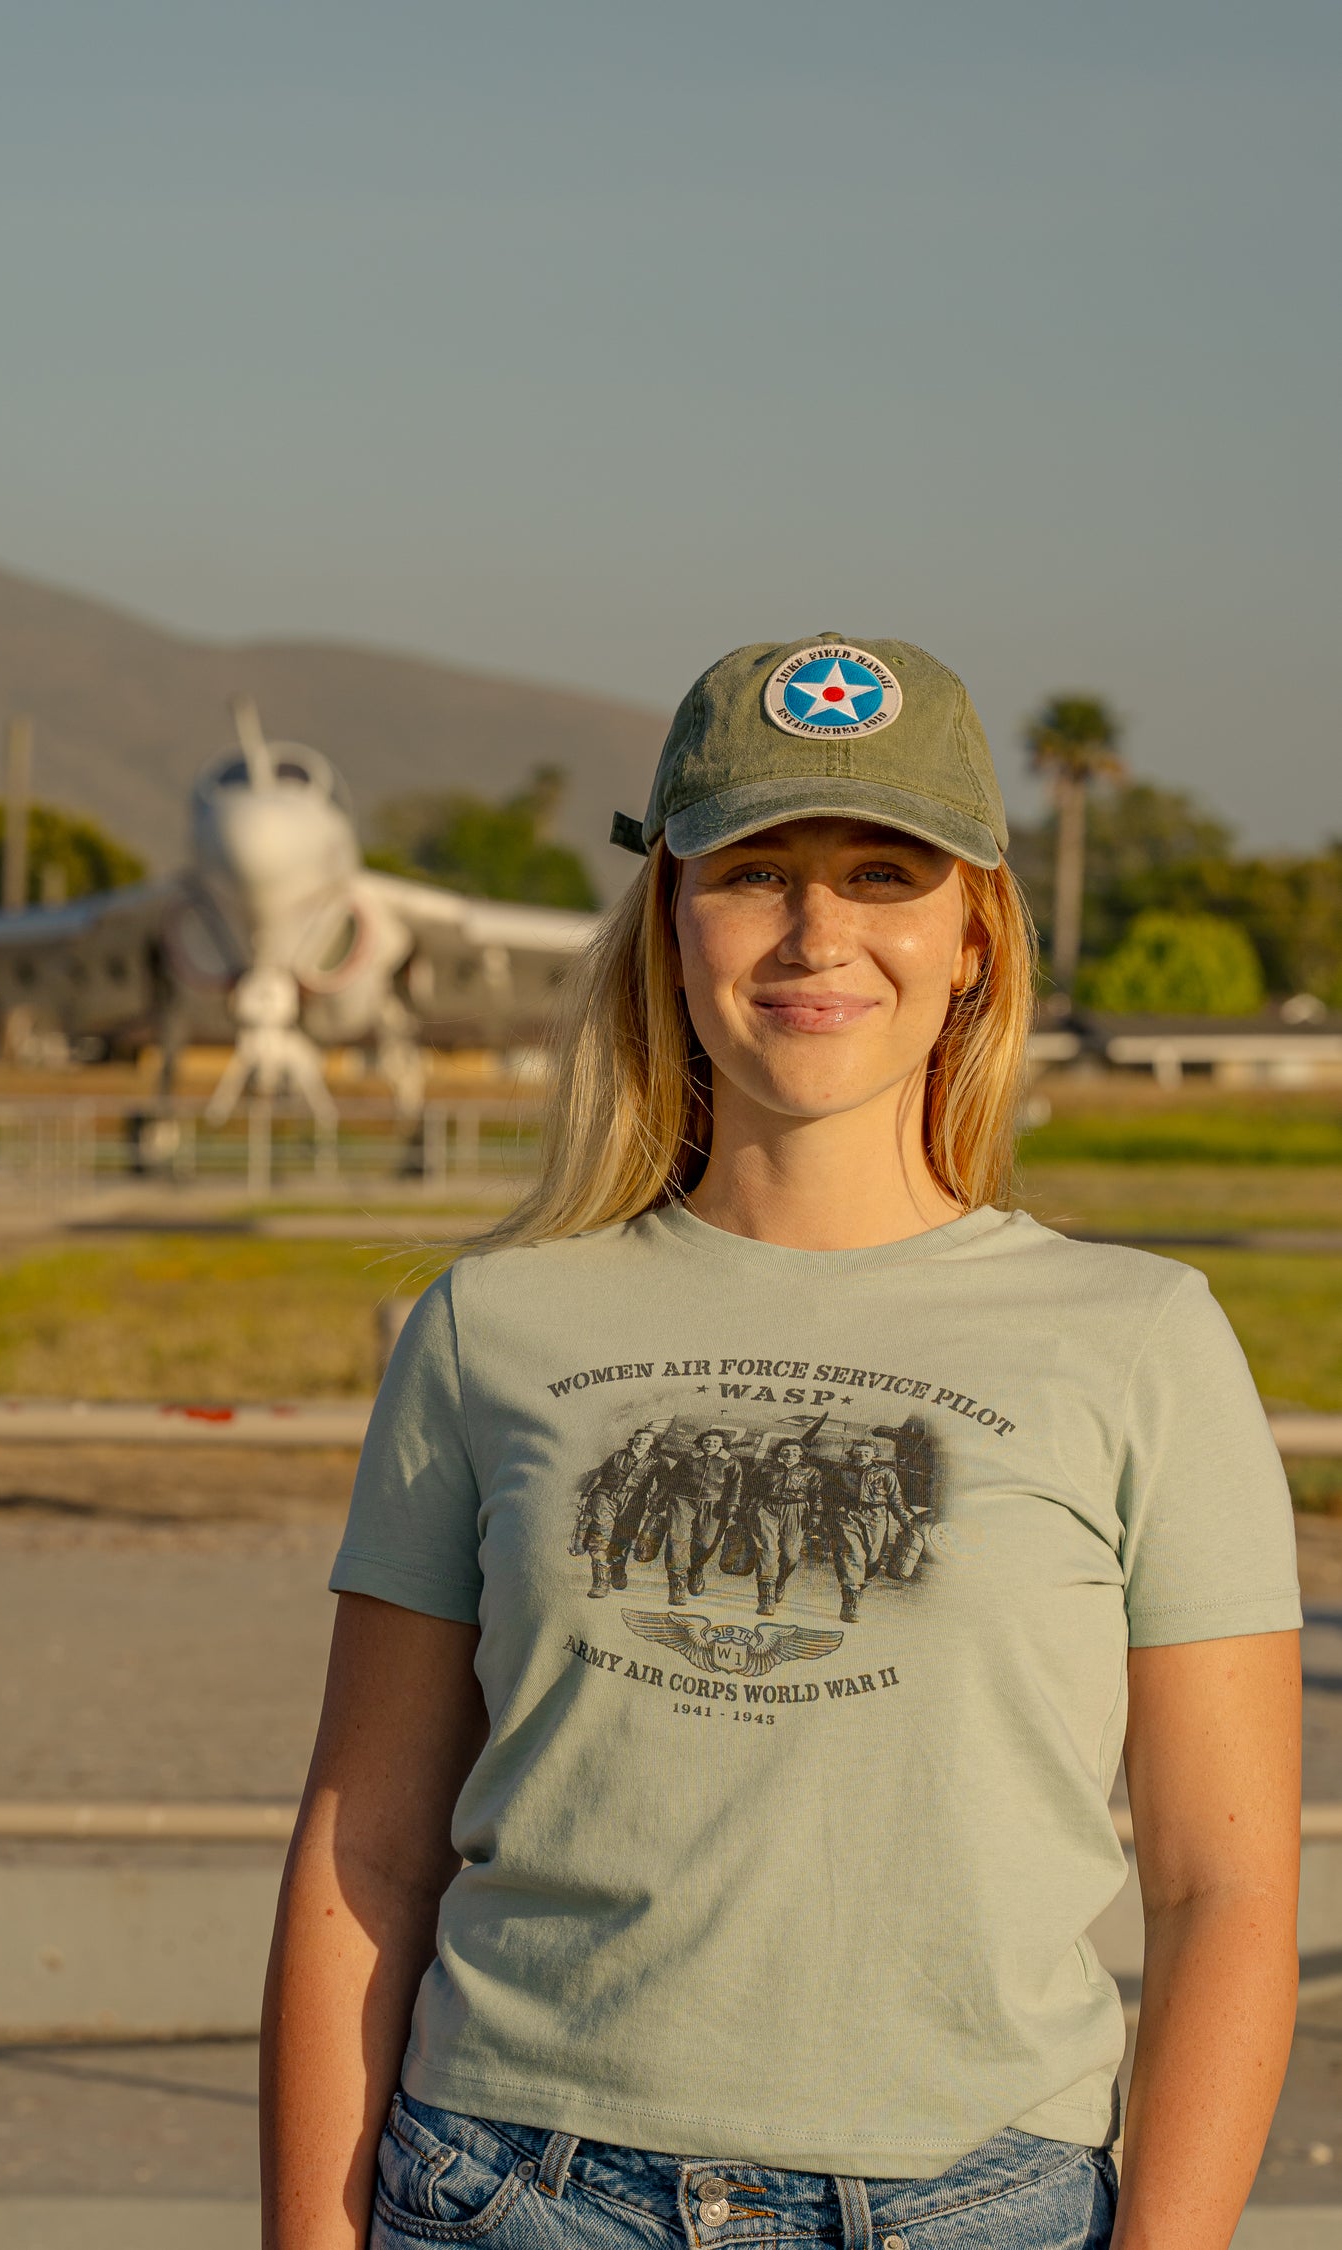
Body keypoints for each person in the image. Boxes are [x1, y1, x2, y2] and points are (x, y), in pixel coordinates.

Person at [262, 635, 1302, 2250]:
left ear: (974, 937)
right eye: (755, 869)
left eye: (884, 871)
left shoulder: (1142, 1342)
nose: (818, 932)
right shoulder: (491, 1330)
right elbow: (365, 1853)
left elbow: (1221, 1891)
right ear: (670, 920)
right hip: (519, 2198)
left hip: (986, 2204)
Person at [576, 1424, 662, 1596]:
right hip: (605, 1496)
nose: (641, 1442)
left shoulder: (658, 1461)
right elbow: (600, 1474)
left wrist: (657, 1500)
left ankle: (617, 1570)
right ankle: (600, 1582)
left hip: (634, 1501)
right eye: (639, 1438)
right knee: (600, 1535)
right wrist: (586, 1494)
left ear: (652, 1443)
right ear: (633, 1440)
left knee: (623, 1536)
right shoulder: (618, 1455)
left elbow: (665, 1483)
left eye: (646, 1439)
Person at [828, 1436, 909, 1621]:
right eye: (858, 1452)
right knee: (852, 1555)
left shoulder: (886, 1473)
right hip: (849, 1515)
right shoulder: (840, 1471)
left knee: (873, 1559)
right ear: (852, 1453)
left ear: (874, 1455)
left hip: (876, 1517)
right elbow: (827, 1492)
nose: (862, 1455)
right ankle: (849, 1602)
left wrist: (904, 1521)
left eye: (866, 1452)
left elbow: (896, 1499)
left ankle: (857, 1588)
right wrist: (835, 1508)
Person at [661, 1427, 744, 1602]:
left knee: (706, 1543)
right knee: (677, 1540)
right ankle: (677, 1585)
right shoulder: (689, 1458)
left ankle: (696, 1568)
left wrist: (733, 1505)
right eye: (707, 1440)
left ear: (722, 1444)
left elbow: (736, 1486)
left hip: (714, 1504)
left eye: (715, 1441)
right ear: (701, 1442)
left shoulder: (731, 1462)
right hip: (683, 1500)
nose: (710, 1444)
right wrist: (660, 1497)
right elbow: (672, 1478)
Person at [750, 1436, 824, 1615]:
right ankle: (766, 1598)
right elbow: (751, 1489)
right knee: (767, 1550)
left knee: (791, 1555)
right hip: (768, 1508)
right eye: (786, 1451)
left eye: (794, 1451)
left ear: (801, 1453)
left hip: (795, 1510)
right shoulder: (765, 1469)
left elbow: (817, 1495)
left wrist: (816, 1514)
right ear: (779, 1452)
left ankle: (780, 1581)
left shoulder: (811, 1472)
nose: (790, 1454)